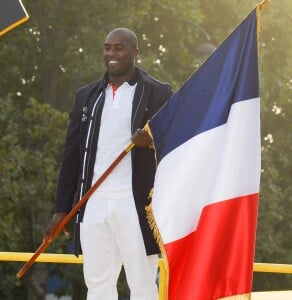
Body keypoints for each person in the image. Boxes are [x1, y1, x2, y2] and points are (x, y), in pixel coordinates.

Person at [44, 28, 172, 300]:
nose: (111, 54)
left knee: (142, 284)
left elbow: (175, 139)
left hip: (136, 202)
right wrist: (60, 208)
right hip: (94, 200)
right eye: (107, 48)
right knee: (98, 284)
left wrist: (150, 142)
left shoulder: (157, 93)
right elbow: (71, 154)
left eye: (119, 48)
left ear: (135, 52)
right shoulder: (87, 96)